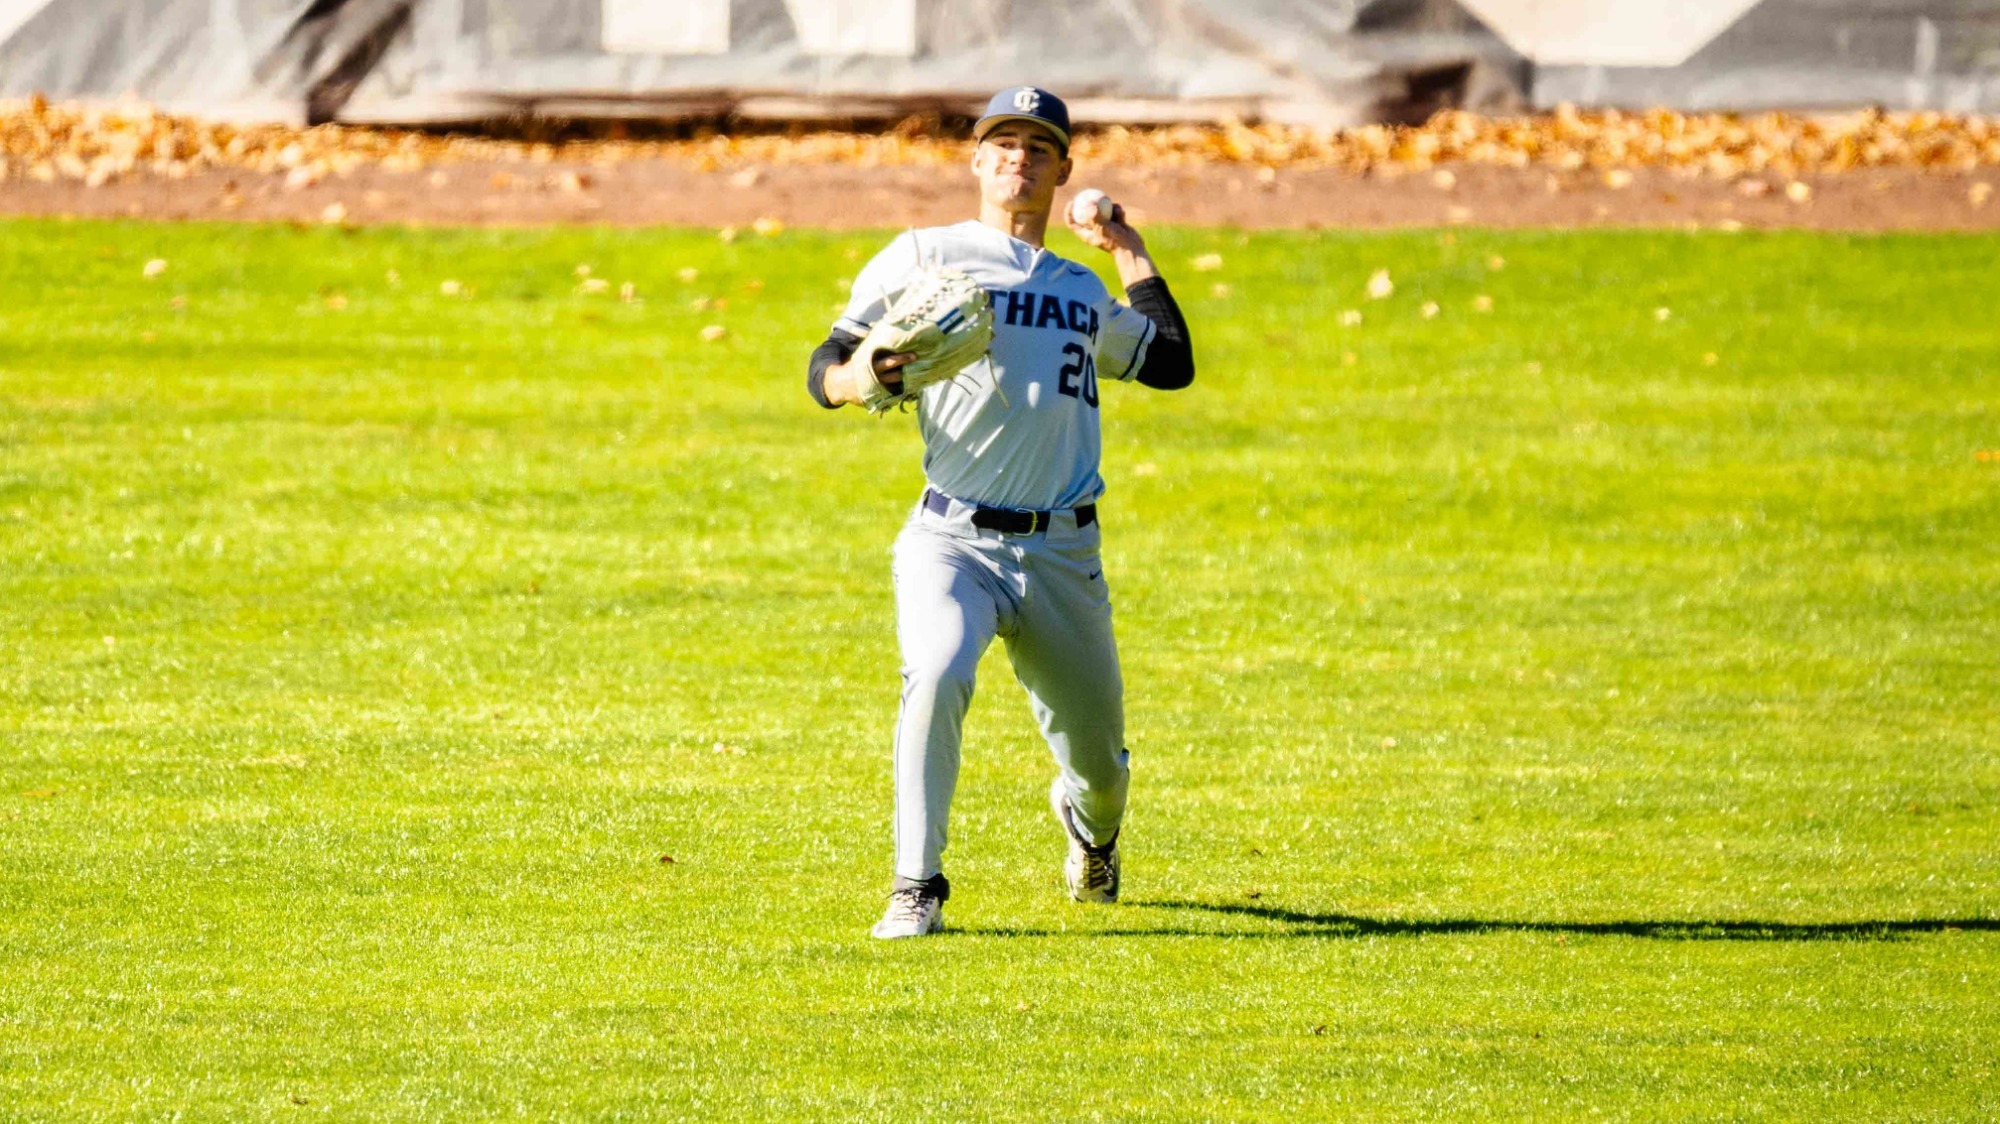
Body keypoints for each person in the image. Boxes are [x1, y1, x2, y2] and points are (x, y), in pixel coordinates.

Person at [805, 86, 1196, 938]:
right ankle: (916, 888)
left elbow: (1168, 363)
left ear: (1063, 171)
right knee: (937, 673)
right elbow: (826, 366)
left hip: (1063, 555)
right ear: (977, 162)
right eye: (1003, 143)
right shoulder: (921, 255)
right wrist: (858, 379)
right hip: (951, 541)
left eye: (1038, 146)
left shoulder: (1080, 288)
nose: (1019, 157)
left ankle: (1090, 831)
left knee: (1101, 770)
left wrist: (1127, 248)